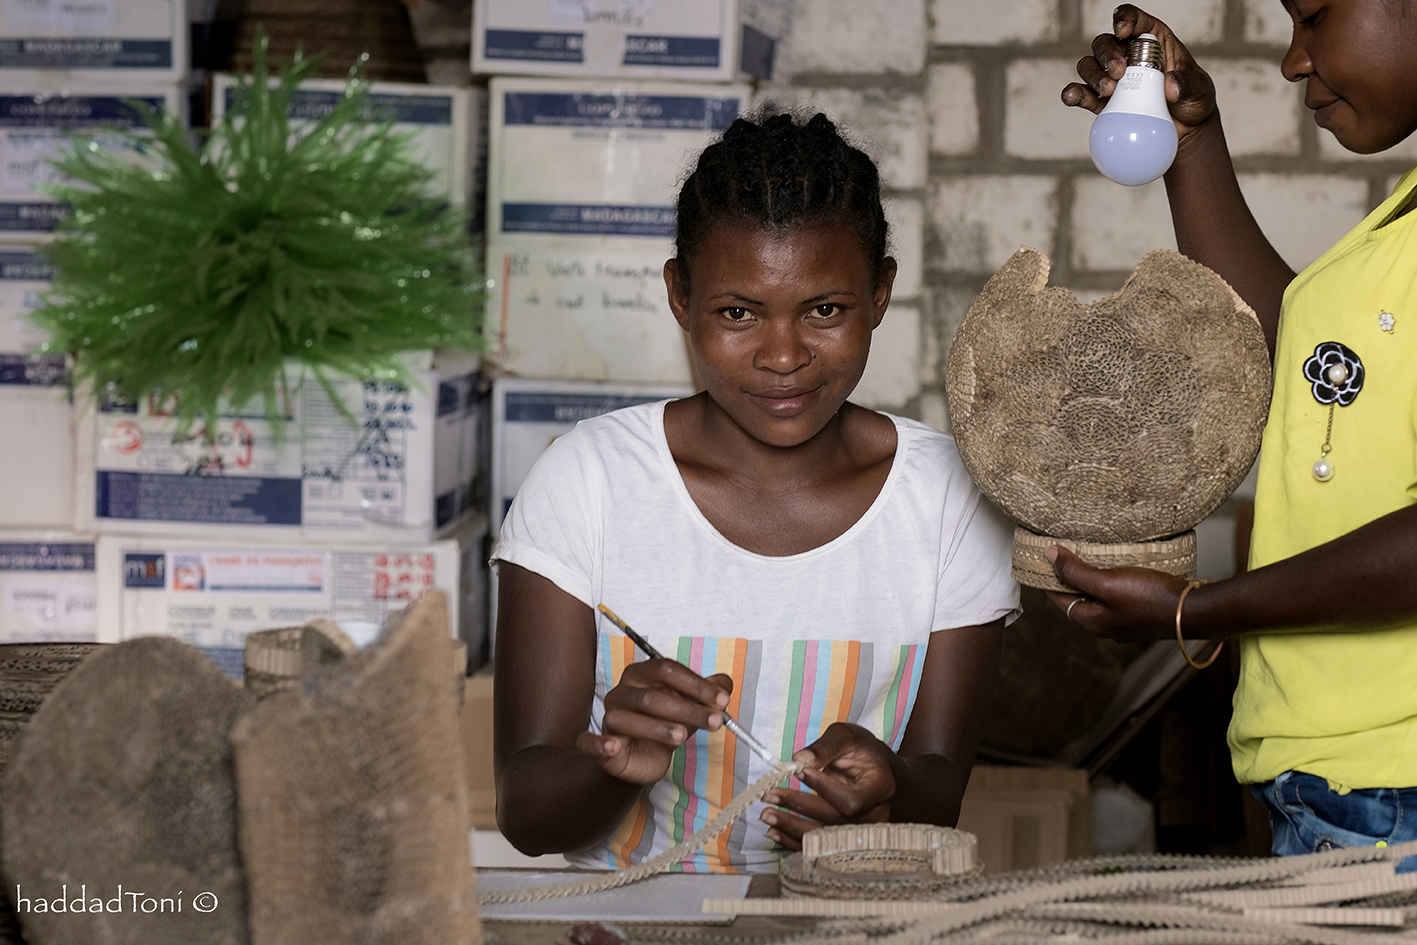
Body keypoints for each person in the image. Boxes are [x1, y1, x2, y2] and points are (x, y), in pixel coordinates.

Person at [490, 111, 1019, 872]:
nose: (782, 355)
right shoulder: (589, 481)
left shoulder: (946, 498)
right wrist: (614, 763)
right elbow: (527, 815)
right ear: (679, 295)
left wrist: (889, 789)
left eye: (824, 310)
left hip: (852, 916)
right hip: (632, 922)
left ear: (880, 293)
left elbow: (939, 790)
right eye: (737, 312)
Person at [1058, 2, 1417, 862]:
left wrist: (1194, 609)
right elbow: (1307, 367)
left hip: (1393, 787)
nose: (1294, 61)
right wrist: (1191, 140)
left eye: (1315, 16)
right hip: (1347, 779)